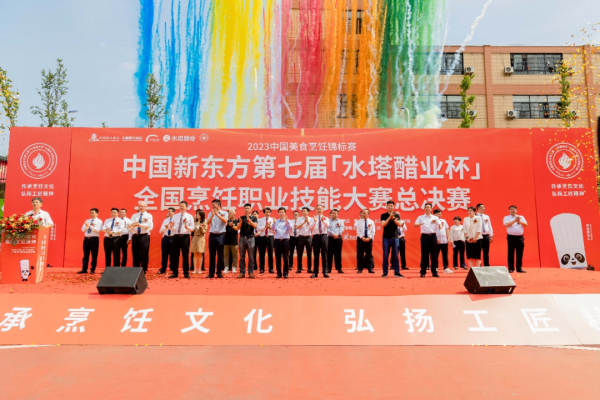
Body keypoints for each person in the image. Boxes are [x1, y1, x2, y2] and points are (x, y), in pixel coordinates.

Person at [415, 203, 442, 278]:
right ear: (424, 208)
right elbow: (415, 225)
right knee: (424, 254)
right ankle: (423, 272)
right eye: (426, 207)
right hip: (424, 237)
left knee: (434, 254)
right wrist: (420, 224)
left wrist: (440, 225)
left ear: (431, 209)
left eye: (428, 207)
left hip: (433, 236)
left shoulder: (435, 217)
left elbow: (440, 224)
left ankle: (434, 272)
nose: (427, 208)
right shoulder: (420, 217)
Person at [169, 201, 194, 279]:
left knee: (185, 255)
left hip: (185, 237)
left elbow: (192, 228)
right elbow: (172, 227)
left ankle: (186, 273)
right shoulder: (175, 216)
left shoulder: (189, 216)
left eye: (183, 206)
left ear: (186, 207)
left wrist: (187, 228)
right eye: (180, 206)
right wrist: (171, 226)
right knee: (175, 255)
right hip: (176, 236)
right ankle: (175, 273)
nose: (181, 207)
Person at [380, 201, 403, 278]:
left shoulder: (396, 215)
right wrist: (389, 218)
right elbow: (383, 225)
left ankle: (397, 272)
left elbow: (399, 224)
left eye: (391, 205)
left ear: (394, 207)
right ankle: (385, 272)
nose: (390, 207)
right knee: (385, 255)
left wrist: (393, 218)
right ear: (386, 206)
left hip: (395, 238)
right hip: (386, 238)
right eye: (389, 205)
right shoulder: (383, 215)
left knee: (395, 256)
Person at [129, 201, 154, 272]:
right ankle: (135, 269)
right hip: (135, 236)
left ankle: (143, 269)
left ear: (146, 207)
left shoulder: (148, 216)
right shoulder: (134, 215)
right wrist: (131, 226)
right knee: (135, 253)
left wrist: (139, 225)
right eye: (140, 206)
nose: (141, 207)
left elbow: (149, 226)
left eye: (143, 206)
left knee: (144, 253)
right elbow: (130, 224)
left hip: (144, 236)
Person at [207, 199, 228, 278]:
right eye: (212, 205)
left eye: (214, 205)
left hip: (221, 235)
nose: (212, 206)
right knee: (212, 255)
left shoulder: (224, 213)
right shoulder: (210, 213)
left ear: (218, 205)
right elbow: (207, 222)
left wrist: (217, 215)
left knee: (220, 255)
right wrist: (212, 215)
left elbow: (225, 221)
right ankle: (211, 273)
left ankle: (219, 272)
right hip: (212, 235)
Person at [503, 205, 528, 273]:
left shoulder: (521, 217)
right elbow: (506, 224)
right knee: (510, 253)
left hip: (520, 237)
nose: (512, 210)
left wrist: (519, 221)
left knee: (520, 253)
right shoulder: (506, 217)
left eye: (513, 209)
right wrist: (515, 220)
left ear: (516, 210)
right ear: (509, 210)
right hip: (511, 237)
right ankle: (511, 268)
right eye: (511, 209)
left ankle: (519, 268)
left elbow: (526, 225)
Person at [78, 208, 102, 274]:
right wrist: (86, 226)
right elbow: (82, 230)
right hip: (86, 239)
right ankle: (84, 269)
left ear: (97, 213)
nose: (91, 214)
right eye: (90, 213)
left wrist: (90, 226)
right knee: (85, 254)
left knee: (94, 255)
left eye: (93, 213)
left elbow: (97, 230)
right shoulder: (87, 221)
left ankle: (92, 269)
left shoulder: (99, 221)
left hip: (94, 239)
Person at [237, 204, 258, 278]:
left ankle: (250, 272)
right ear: (244, 209)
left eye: (248, 208)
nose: (247, 209)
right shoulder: (241, 218)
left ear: (250, 209)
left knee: (251, 257)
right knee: (242, 257)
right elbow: (237, 227)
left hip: (251, 238)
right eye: (245, 208)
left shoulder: (254, 218)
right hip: (242, 238)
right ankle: (242, 272)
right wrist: (240, 223)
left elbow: (255, 226)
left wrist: (249, 220)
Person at [273, 207, 294, 278]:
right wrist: (274, 223)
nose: (281, 213)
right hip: (277, 241)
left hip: (285, 241)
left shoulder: (289, 221)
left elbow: (291, 228)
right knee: (278, 258)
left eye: (282, 212)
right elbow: (273, 229)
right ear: (278, 213)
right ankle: (279, 273)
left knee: (286, 257)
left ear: (285, 213)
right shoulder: (276, 221)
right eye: (280, 212)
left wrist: (287, 222)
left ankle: (285, 273)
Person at [309, 204, 329, 278]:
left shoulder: (326, 218)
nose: (319, 210)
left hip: (323, 236)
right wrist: (314, 222)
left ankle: (325, 272)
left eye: (320, 209)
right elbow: (310, 228)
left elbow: (327, 226)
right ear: (316, 210)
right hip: (316, 237)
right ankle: (315, 272)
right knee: (316, 256)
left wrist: (323, 221)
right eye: (318, 209)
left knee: (324, 255)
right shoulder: (312, 219)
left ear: (322, 210)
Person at [355, 209, 375, 273]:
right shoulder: (359, 222)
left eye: (364, 213)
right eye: (362, 213)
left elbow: (373, 231)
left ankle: (370, 268)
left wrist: (369, 237)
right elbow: (358, 231)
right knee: (360, 254)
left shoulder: (371, 222)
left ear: (368, 214)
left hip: (369, 239)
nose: (363, 214)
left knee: (369, 254)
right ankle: (360, 268)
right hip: (361, 239)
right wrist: (362, 237)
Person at [256, 207, 275, 274]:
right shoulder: (260, 220)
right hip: (262, 237)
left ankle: (271, 269)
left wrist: (270, 228)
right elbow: (258, 229)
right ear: (264, 213)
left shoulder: (273, 220)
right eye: (266, 212)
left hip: (270, 237)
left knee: (270, 253)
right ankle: (261, 269)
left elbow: (275, 229)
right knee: (262, 253)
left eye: (269, 212)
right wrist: (264, 227)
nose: (268, 213)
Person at [433, 209, 452, 274]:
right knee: (435, 255)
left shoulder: (443, 221)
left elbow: (447, 229)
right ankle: (435, 268)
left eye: (441, 214)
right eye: (439, 214)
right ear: (435, 214)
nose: (440, 215)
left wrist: (449, 238)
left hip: (444, 241)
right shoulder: (433, 221)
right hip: (436, 241)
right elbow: (432, 230)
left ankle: (446, 268)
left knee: (445, 255)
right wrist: (436, 238)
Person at [158, 208, 176, 274]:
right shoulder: (165, 220)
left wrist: (171, 227)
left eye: (170, 211)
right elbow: (160, 231)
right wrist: (165, 228)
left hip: (173, 238)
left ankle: (173, 268)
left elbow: (176, 229)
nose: (168, 213)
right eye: (168, 211)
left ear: (173, 212)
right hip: (165, 238)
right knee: (164, 254)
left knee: (173, 254)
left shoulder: (176, 220)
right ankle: (163, 269)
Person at [295, 207, 313, 274]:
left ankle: (309, 269)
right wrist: (303, 222)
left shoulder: (311, 219)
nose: (303, 212)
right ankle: (299, 268)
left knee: (309, 254)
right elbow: (297, 227)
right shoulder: (299, 219)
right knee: (299, 253)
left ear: (308, 212)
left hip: (308, 237)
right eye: (302, 211)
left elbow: (312, 228)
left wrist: (308, 222)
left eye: (305, 211)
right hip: (301, 237)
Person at [327, 208, 344, 274]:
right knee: (329, 254)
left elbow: (342, 228)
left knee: (338, 254)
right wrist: (333, 234)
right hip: (330, 238)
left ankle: (339, 268)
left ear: (337, 214)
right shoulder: (328, 221)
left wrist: (337, 234)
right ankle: (328, 268)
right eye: (333, 213)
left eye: (335, 213)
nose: (334, 214)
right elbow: (327, 229)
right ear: (331, 214)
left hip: (338, 238)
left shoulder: (340, 221)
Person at [191, 209, 207, 274]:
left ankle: (200, 269)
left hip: (201, 238)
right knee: (194, 254)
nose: (197, 215)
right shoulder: (194, 222)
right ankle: (195, 269)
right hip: (194, 238)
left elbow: (204, 231)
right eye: (197, 214)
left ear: (201, 215)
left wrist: (201, 227)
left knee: (200, 254)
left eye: (198, 214)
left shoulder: (204, 222)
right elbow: (191, 230)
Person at [224, 209, 239, 274]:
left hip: (234, 240)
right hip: (226, 240)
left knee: (234, 255)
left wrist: (232, 225)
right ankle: (226, 267)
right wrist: (226, 224)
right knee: (226, 255)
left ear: (234, 214)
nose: (229, 214)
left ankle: (234, 267)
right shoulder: (226, 221)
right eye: (228, 213)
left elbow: (237, 229)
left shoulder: (237, 221)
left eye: (230, 213)